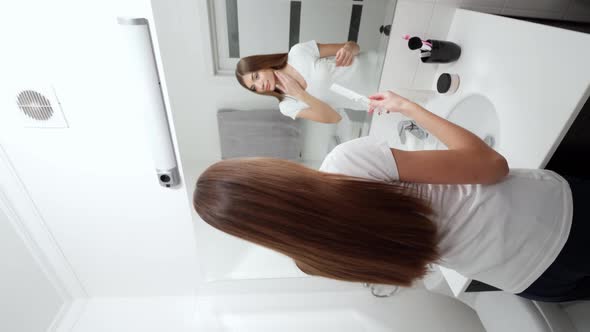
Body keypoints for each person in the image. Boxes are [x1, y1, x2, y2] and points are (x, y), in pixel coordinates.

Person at [194, 90, 588, 303]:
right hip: (562, 217)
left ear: (255, 232)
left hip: (530, 279)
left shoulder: (314, 260)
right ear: (266, 171)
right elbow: (491, 165)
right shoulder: (347, 163)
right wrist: (409, 108)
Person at [236, 40, 378, 123]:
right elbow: (334, 118)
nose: (260, 85)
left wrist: (348, 49)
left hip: (379, 65)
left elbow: (354, 46)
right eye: (254, 88)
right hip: (377, 100)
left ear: (263, 64)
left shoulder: (298, 52)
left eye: (256, 76)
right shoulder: (287, 105)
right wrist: (299, 94)